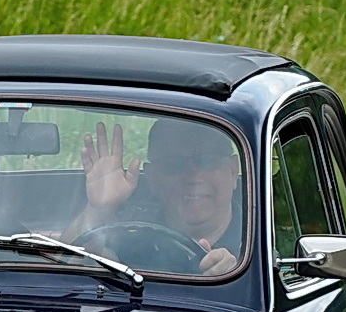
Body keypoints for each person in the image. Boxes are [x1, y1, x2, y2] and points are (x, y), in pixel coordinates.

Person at [64, 117, 241, 275]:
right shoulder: (131, 238)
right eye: (173, 165)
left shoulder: (260, 244)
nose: (193, 177)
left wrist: (235, 278)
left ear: (233, 170)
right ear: (152, 179)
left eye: (207, 161)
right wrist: (97, 210)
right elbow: (57, 264)